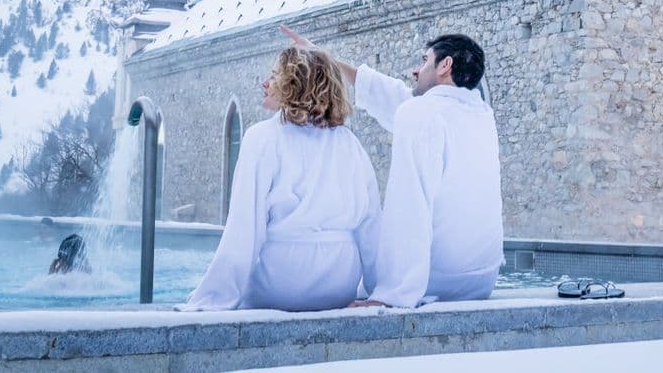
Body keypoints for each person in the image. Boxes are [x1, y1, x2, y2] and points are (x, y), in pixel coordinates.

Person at [282, 26, 503, 308]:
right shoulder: (481, 115)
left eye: (424, 61)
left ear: (445, 65)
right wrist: (326, 59)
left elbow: (409, 208)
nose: (415, 70)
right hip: (479, 282)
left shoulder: (421, 113)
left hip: (434, 280)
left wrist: (393, 294)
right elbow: (393, 97)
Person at [183, 46, 380, 311]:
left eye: (275, 76)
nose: (266, 83)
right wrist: (381, 288)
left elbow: (244, 227)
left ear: (296, 84)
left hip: (283, 281)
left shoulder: (263, 137)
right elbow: (370, 225)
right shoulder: (349, 143)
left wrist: (215, 295)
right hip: (339, 283)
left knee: (242, 297)